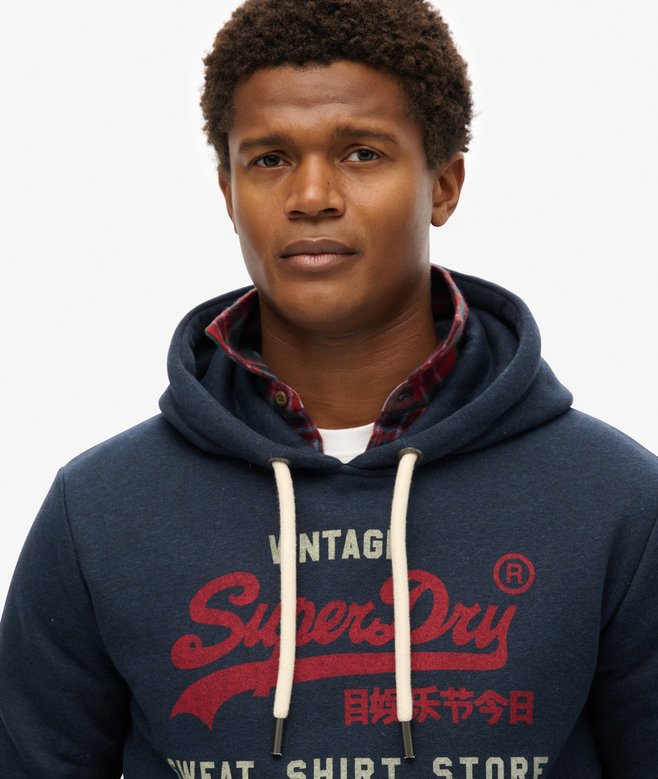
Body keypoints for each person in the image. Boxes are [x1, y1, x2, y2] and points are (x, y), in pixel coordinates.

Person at [1, 0, 656, 776]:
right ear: (228, 193)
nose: (312, 195)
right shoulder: (98, 511)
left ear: (444, 186)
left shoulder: (616, 501)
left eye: (362, 153)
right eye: (270, 159)